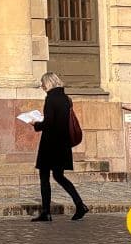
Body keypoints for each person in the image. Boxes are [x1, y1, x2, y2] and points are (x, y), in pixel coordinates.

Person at [31, 72, 89, 222]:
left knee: (44, 177)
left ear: (49, 83)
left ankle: (46, 212)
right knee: (59, 176)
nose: (42, 87)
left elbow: (49, 123)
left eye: (43, 84)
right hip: (63, 144)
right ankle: (80, 205)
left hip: (50, 144)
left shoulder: (51, 99)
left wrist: (36, 124)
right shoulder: (65, 99)